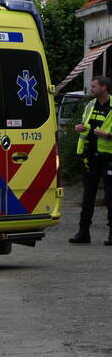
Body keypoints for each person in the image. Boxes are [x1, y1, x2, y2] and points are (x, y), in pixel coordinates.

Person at [71, 76, 112, 245]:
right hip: (91, 156)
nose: (91, 88)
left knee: (110, 196)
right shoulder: (90, 105)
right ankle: (83, 232)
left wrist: (107, 135)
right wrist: (79, 127)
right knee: (88, 196)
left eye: (94, 86)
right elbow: (85, 125)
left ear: (103, 87)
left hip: (109, 158)